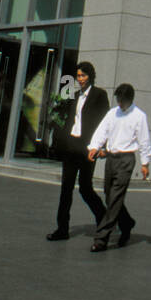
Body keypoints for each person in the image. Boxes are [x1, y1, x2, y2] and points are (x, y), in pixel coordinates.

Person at [47, 62, 109, 241]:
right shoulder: (74, 95)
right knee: (66, 188)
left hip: (87, 148)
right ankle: (62, 229)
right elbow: (67, 117)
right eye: (78, 76)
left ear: (91, 76)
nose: (80, 79)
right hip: (71, 145)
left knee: (85, 188)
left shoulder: (99, 95)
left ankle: (104, 220)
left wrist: (100, 146)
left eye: (83, 75)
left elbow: (104, 123)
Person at [87, 83, 151, 251]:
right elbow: (102, 131)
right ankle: (127, 223)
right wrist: (94, 146)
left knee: (115, 198)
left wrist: (145, 163)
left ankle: (101, 239)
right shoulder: (112, 114)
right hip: (111, 159)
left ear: (130, 99)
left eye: (122, 100)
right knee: (109, 196)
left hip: (126, 160)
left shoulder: (139, 116)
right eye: (118, 99)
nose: (120, 103)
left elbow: (144, 141)